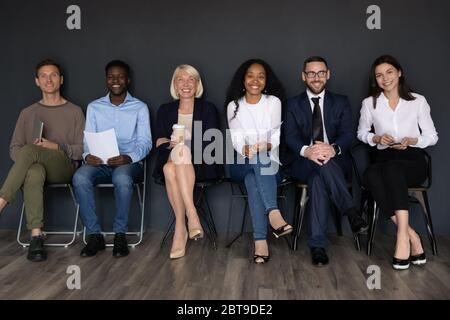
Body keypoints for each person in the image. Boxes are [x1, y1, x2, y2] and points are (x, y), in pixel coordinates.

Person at [283, 56, 368, 267]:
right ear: (303, 76)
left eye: (320, 72)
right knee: (319, 165)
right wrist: (307, 151)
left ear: (328, 75)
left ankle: (318, 246)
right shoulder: (293, 104)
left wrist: (333, 148)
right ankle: (351, 211)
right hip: (303, 162)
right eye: (311, 73)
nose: (316, 77)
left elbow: (349, 134)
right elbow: (290, 136)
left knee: (318, 181)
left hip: (335, 161)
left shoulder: (341, 101)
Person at [357, 55, 438, 270]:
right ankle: (412, 236)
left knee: (392, 170)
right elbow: (361, 133)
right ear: (376, 80)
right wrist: (375, 138)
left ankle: (401, 240)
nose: (385, 78)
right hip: (384, 157)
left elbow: (432, 136)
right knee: (370, 175)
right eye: (379, 75)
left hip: (412, 160)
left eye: (389, 72)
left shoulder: (418, 101)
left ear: (399, 73)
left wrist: (413, 140)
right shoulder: (370, 103)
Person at [0, 59, 85, 262]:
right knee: (33, 170)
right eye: (44, 76)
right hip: (34, 168)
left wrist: (57, 147)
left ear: (61, 79)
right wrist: (34, 155)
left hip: (63, 166)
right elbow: (14, 149)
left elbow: (84, 150)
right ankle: (36, 237)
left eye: (53, 75)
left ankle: (1, 202)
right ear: (37, 81)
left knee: (30, 150)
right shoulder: (27, 113)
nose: (49, 79)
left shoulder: (74, 111)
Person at [72, 60, 152, 258]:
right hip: (100, 162)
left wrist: (129, 157)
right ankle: (94, 235)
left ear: (128, 80)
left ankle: (120, 234)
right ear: (106, 80)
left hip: (128, 164)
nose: (115, 80)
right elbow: (87, 140)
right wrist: (87, 155)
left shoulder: (140, 107)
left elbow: (145, 142)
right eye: (111, 77)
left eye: (120, 76)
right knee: (80, 177)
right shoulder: (94, 107)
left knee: (122, 178)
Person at [153, 64, 223, 259]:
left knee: (169, 169)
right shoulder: (165, 110)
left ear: (197, 84)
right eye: (180, 79)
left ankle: (180, 228)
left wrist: (185, 143)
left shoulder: (208, 109)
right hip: (171, 155)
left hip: (202, 164)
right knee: (178, 152)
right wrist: (172, 144)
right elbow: (159, 141)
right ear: (174, 85)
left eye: (191, 79)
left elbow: (213, 142)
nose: (186, 84)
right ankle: (192, 215)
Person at [226, 58, 292, 264]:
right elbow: (236, 139)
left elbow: (275, 137)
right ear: (243, 79)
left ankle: (260, 241)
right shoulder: (234, 105)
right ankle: (273, 212)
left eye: (261, 76)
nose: (255, 80)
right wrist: (246, 148)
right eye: (250, 75)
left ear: (266, 80)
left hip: (270, 165)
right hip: (240, 163)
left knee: (254, 179)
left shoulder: (273, 103)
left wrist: (264, 146)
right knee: (256, 161)